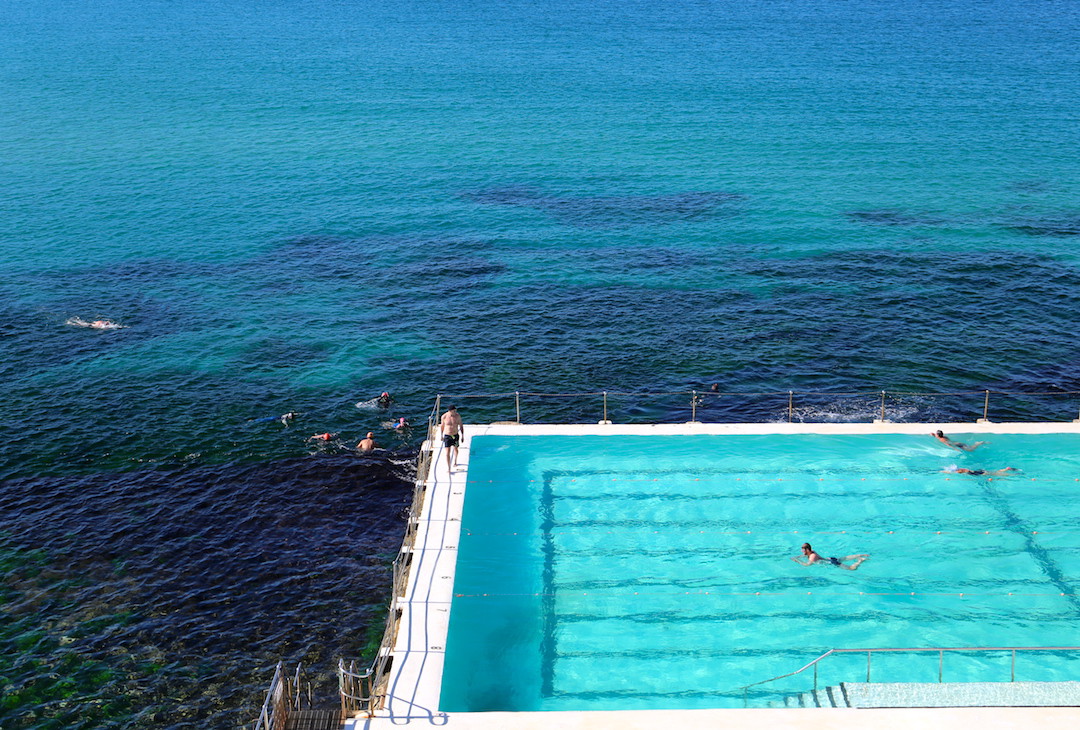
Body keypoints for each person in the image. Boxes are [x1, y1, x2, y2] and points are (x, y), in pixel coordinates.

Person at [792, 543, 869, 571]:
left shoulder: (812, 556)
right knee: (843, 558)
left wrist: (798, 561)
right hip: (830, 559)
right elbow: (803, 555)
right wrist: (797, 557)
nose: (802, 552)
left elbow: (807, 565)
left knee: (851, 568)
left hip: (832, 563)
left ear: (808, 550)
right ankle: (860, 555)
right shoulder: (812, 551)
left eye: (803, 550)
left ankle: (860, 560)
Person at [439, 405, 464, 472]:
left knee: (456, 449)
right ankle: (448, 467)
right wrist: (441, 435)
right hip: (447, 436)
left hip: (455, 435)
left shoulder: (457, 416)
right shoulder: (444, 417)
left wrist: (462, 435)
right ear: (450, 411)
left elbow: (461, 425)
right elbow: (442, 426)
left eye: (455, 410)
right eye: (454, 410)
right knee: (447, 452)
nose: (455, 411)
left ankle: (455, 461)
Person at [942, 465, 1017, 477]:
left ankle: (1010, 473)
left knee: (998, 474)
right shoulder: (962, 469)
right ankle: (1007, 469)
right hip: (979, 471)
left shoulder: (959, 471)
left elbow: (951, 472)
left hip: (982, 473)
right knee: (997, 472)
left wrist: (943, 472)